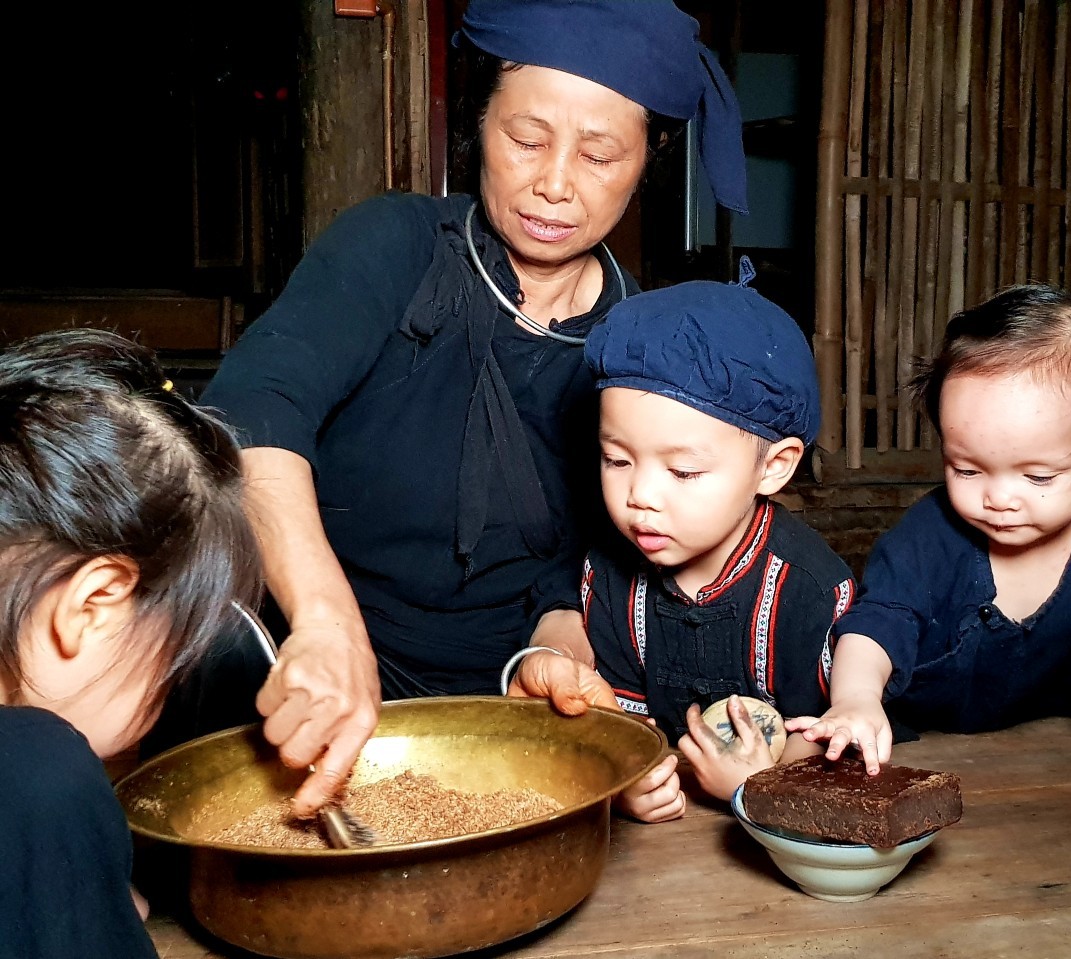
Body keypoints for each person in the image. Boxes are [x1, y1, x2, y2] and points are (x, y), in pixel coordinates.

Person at [197, 0, 750, 817]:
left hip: (492, 705)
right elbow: (248, 414)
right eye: (525, 138)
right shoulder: (393, 246)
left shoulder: (639, 345)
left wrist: (557, 653)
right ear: (478, 123)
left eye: (600, 154)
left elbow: (572, 567)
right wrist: (324, 621)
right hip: (302, 664)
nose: (554, 182)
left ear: (648, 160)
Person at [788, 283, 1071, 829]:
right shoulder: (930, 533)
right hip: (912, 723)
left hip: (1039, 728)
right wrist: (857, 700)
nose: (999, 498)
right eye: (967, 469)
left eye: (1037, 476)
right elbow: (878, 622)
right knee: (810, 756)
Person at [507, 267, 858, 822]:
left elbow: (827, 735)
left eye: (684, 471)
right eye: (617, 460)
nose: (640, 496)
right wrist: (625, 776)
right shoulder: (608, 572)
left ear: (775, 466)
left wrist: (758, 784)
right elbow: (618, 720)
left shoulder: (809, 591)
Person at [0, 329, 261, 956]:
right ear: (94, 604)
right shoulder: (36, 773)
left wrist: (75, 885)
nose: (170, 686)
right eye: (175, 659)